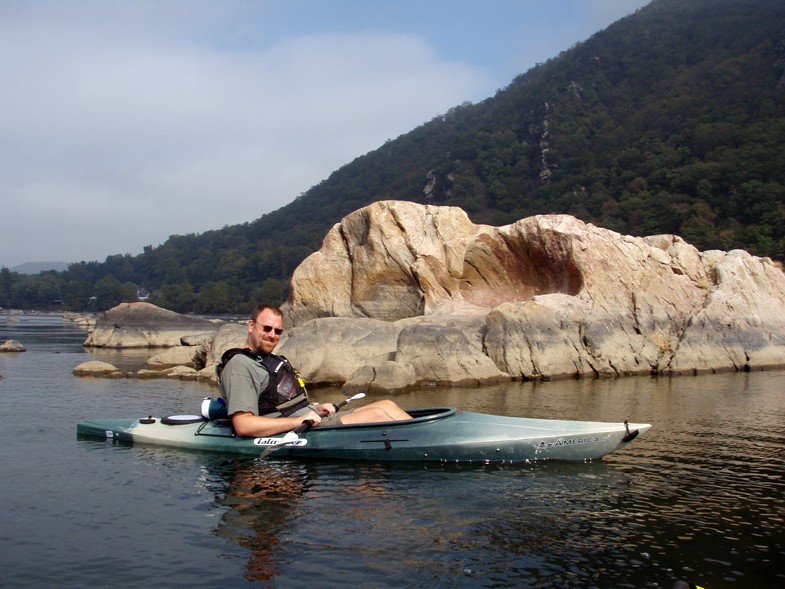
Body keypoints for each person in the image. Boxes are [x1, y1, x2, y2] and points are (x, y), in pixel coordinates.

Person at [217, 304, 411, 437]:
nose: (272, 335)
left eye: (277, 331)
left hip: (312, 418)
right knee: (376, 415)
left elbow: (282, 402)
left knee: (387, 404)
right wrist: (300, 420)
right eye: (266, 328)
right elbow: (244, 425)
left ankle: (430, 434)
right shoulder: (240, 366)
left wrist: (316, 408)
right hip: (301, 428)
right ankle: (421, 442)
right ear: (251, 326)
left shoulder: (270, 359)